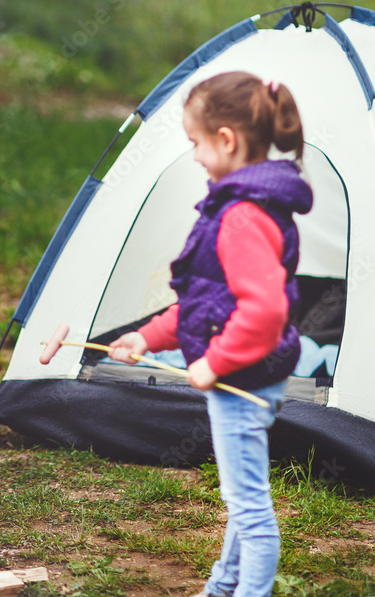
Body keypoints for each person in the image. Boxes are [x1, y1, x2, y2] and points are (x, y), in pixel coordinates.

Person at [107, 72, 312, 597]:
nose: (194, 155)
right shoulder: (238, 206)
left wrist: (216, 362)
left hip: (242, 378)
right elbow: (204, 304)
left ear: (226, 139)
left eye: (196, 142)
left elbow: (263, 312)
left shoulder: (241, 216)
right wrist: (145, 339)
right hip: (249, 373)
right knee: (241, 496)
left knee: (250, 506)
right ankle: (222, 587)